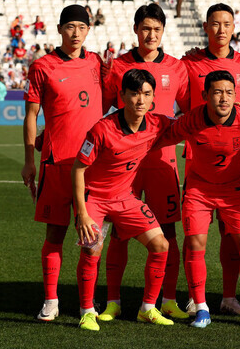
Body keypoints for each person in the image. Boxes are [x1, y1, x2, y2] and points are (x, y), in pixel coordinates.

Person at [157, 70, 240, 328]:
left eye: (229, 93)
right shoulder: (191, 120)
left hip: (233, 191)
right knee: (195, 241)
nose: (224, 98)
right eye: (217, 92)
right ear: (205, 95)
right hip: (199, 191)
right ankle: (202, 308)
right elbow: (162, 135)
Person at [99, 4, 190, 322]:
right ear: (136, 29)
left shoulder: (178, 68)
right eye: (145, 28)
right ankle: (113, 301)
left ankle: (166, 300)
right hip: (124, 165)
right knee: (118, 232)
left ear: (163, 31)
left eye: (157, 29)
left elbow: (191, 112)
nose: (151, 35)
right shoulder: (119, 66)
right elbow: (102, 108)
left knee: (168, 232)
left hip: (162, 163)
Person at [72, 69, 175, 331]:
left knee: (161, 245)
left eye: (146, 94)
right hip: (93, 198)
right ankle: (87, 312)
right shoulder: (101, 129)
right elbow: (79, 169)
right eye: (134, 93)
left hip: (124, 198)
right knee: (92, 250)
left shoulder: (156, 123)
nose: (140, 100)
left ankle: (147, 309)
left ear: (153, 97)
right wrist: (82, 213)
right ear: (122, 96)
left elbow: (192, 122)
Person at [21, 5, 103, 322]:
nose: (75, 32)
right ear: (59, 29)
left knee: (92, 238)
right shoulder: (43, 66)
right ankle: (51, 300)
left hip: (93, 165)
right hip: (56, 162)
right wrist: (30, 160)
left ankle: (87, 303)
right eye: (69, 26)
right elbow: (31, 115)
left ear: (88, 30)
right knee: (56, 233)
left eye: (81, 27)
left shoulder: (97, 63)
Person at [181, 3, 240, 316]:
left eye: (227, 23)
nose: (221, 29)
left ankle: (228, 296)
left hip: (232, 160)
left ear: (234, 25)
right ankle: (194, 296)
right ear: (206, 26)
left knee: (232, 234)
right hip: (197, 158)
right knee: (194, 235)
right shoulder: (189, 62)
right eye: (215, 23)